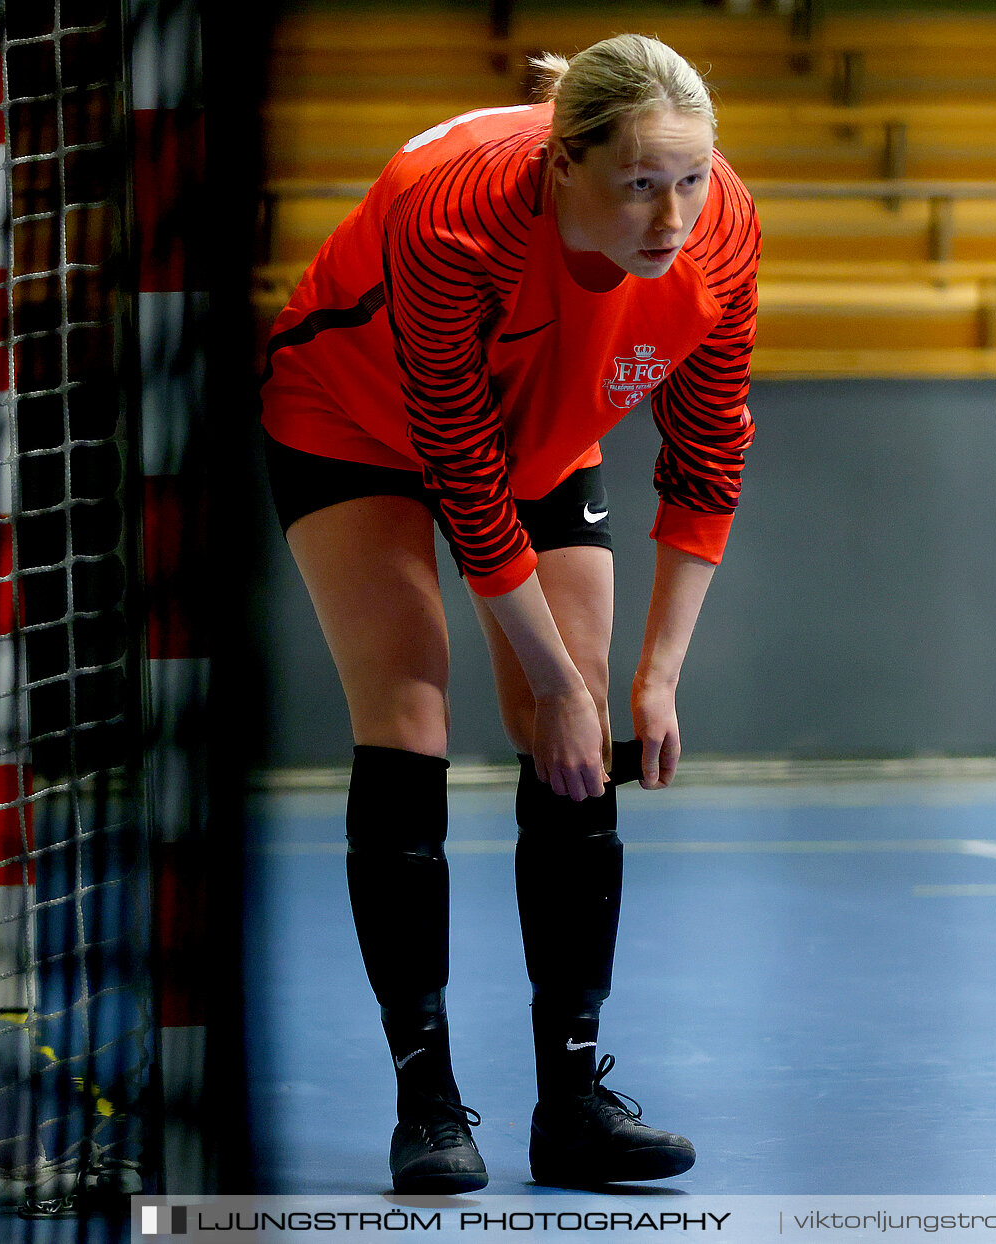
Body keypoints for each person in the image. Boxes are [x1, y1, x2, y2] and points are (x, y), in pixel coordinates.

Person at [259, 34, 758, 1189]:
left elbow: (708, 452)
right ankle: (426, 1103)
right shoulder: (457, 224)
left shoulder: (722, 229)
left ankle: (572, 1099)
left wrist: (651, 679)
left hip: (539, 424)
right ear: (561, 166)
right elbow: (460, 470)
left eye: (690, 176)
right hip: (354, 413)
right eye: (639, 183)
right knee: (411, 703)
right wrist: (562, 688)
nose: (673, 213)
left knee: (569, 744)